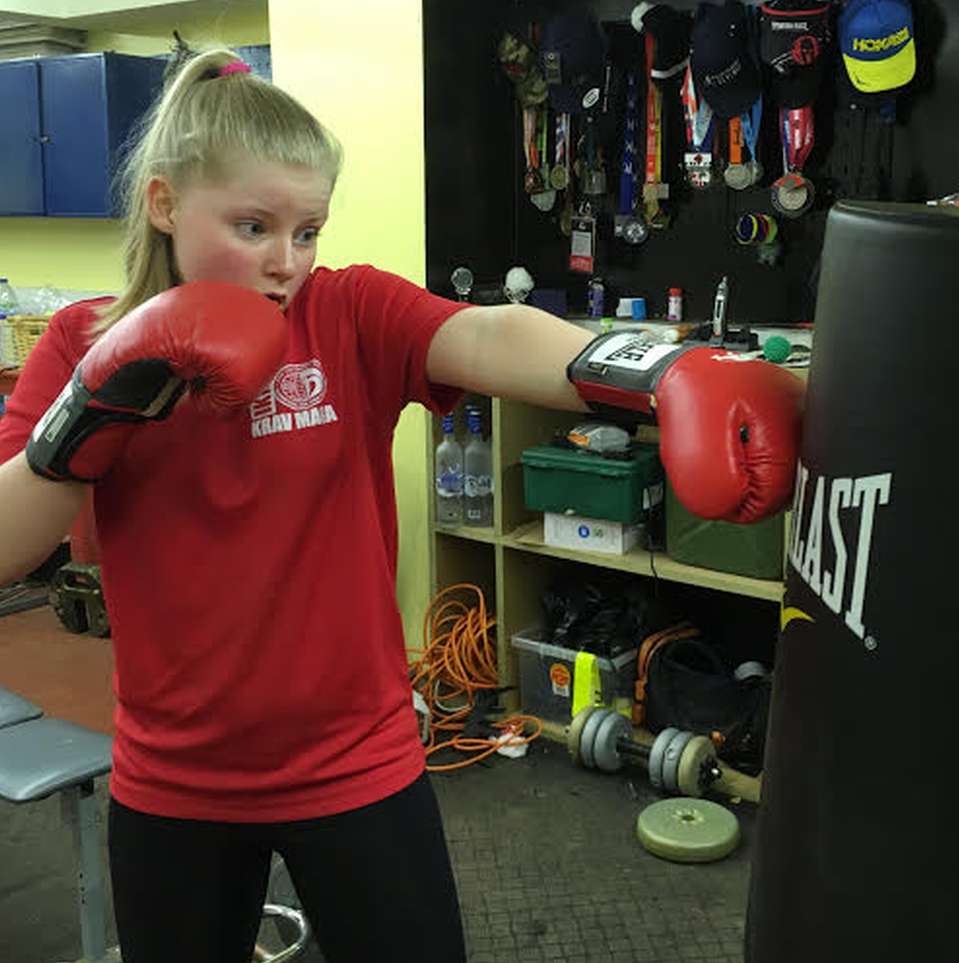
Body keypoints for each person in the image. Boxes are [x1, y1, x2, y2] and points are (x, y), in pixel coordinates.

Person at [0, 49, 802, 963]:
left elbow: (488, 331)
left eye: (307, 231)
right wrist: (94, 409)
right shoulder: (80, 344)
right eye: (254, 226)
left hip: (357, 765)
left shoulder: (345, 314)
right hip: (175, 778)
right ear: (165, 204)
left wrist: (663, 370)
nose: (285, 263)